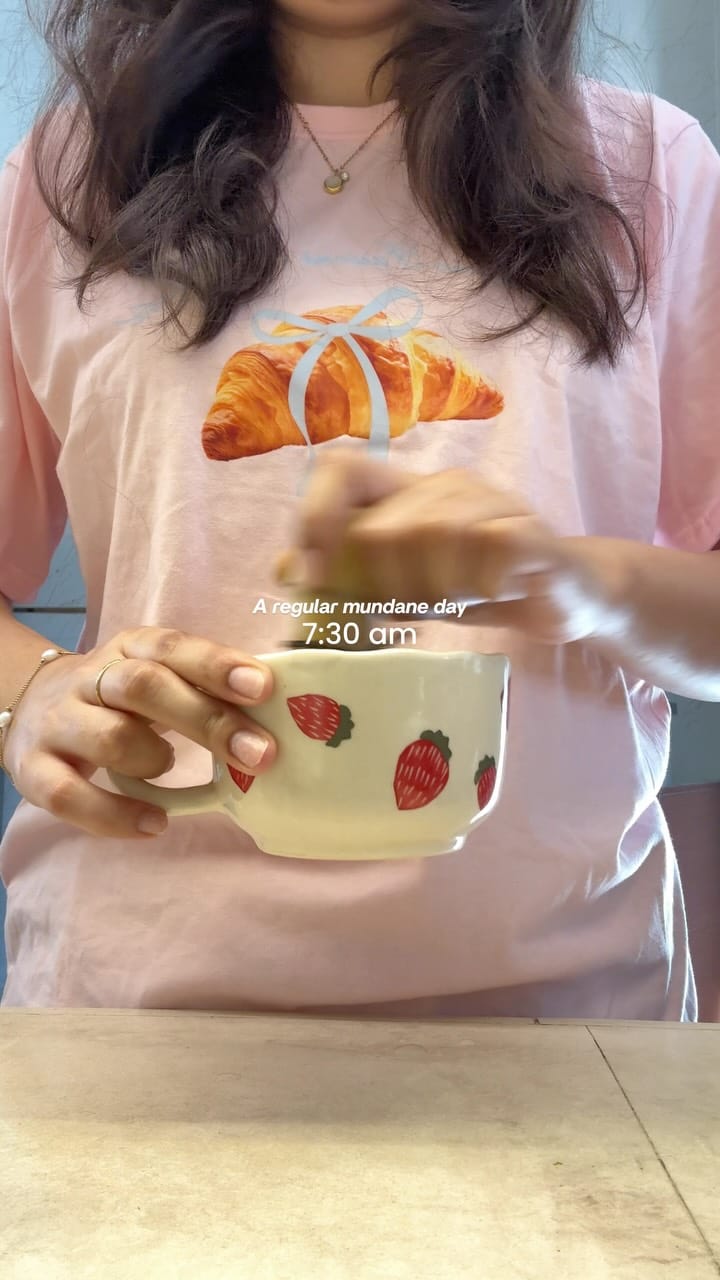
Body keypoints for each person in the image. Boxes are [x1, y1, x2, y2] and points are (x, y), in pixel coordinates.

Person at [0, 0, 719, 1018]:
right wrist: (32, 692)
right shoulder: (69, 175)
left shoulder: (652, 170)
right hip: (135, 1006)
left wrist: (581, 584)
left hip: (568, 1012)